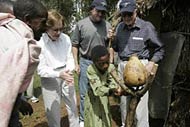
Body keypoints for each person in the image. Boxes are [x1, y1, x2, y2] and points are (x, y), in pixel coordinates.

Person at [111, 0, 164, 126]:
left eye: (130, 14)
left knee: (140, 109)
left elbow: (160, 49)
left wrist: (151, 63)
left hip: (141, 68)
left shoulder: (146, 27)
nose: (127, 18)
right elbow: (116, 48)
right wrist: (111, 39)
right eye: (124, 15)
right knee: (124, 105)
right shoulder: (119, 28)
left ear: (136, 11)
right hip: (123, 67)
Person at [0, 0, 47, 126]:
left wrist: (19, 103)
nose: (45, 27)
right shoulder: (23, 47)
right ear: (27, 20)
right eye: (42, 22)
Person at [71, 0, 113, 126]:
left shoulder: (108, 25)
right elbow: (75, 45)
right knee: (84, 93)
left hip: (102, 65)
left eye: (103, 12)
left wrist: (110, 62)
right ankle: (84, 119)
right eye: (98, 11)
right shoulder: (81, 24)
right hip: (86, 61)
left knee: (102, 91)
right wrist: (76, 63)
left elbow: (110, 46)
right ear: (91, 9)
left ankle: (101, 118)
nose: (100, 14)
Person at [37, 9, 79, 127]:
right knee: (53, 111)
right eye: (55, 29)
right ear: (46, 27)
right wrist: (58, 74)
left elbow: (69, 57)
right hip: (50, 78)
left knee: (72, 106)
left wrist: (69, 70)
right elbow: (41, 69)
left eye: (61, 29)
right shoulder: (40, 42)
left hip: (66, 74)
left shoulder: (65, 38)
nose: (59, 32)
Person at [84, 45, 122, 127]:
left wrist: (114, 89)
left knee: (105, 120)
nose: (105, 66)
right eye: (101, 64)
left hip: (104, 99)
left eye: (107, 62)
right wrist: (110, 91)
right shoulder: (91, 70)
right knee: (94, 121)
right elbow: (97, 90)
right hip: (93, 100)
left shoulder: (111, 68)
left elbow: (113, 82)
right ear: (94, 62)